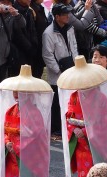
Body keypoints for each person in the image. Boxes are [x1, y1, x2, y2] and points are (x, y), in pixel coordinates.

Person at [0, 65, 53, 177]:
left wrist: (17, 147)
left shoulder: (34, 113)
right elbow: (5, 131)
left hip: (27, 157)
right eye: (15, 92)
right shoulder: (10, 110)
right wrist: (7, 142)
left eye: (20, 92)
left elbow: (36, 137)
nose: (16, 95)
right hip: (12, 154)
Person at [59, 57, 107, 177]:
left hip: (96, 141)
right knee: (83, 171)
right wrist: (74, 129)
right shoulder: (74, 96)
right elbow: (68, 116)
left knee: (98, 170)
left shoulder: (100, 97)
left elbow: (104, 121)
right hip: (80, 143)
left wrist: (85, 130)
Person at [42, 4, 78, 137]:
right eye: (64, 14)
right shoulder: (48, 33)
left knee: (70, 99)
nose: (67, 16)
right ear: (57, 17)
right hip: (58, 72)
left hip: (72, 68)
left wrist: (77, 64)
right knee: (57, 101)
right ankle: (56, 128)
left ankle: (67, 124)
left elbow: (74, 46)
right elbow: (47, 55)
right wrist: (58, 71)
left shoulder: (70, 28)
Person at [30, 0, 49, 78]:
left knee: (38, 73)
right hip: (35, 48)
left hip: (41, 45)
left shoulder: (40, 7)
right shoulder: (31, 9)